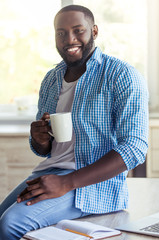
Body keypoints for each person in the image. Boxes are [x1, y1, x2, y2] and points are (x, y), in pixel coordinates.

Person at [0, 4, 148, 240]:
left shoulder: (121, 75)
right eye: (61, 33)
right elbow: (46, 150)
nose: (70, 39)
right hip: (51, 173)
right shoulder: (51, 79)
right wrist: (39, 140)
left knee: (9, 225)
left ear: (94, 31)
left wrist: (67, 182)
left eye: (78, 30)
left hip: (91, 184)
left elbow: (135, 147)